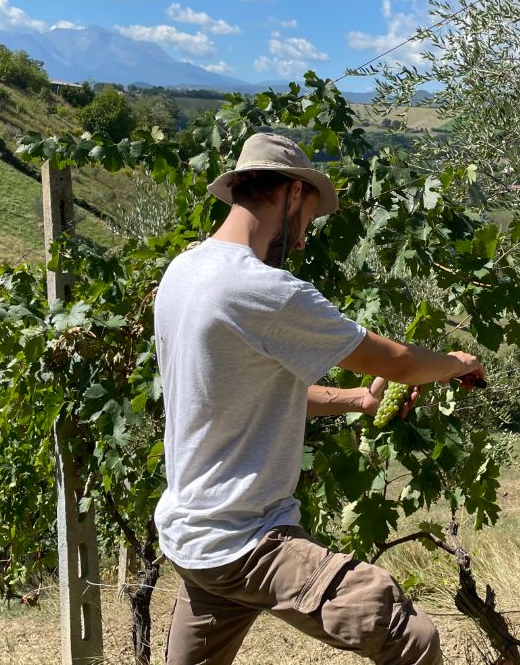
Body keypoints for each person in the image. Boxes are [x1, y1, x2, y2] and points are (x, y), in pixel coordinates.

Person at [154, 132, 485, 665]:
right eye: (308, 218)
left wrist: (359, 401)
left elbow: (244, 392)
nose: (305, 239)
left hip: (192, 539)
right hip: (247, 540)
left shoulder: (183, 273)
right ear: (289, 193)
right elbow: (397, 361)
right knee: (411, 637)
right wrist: (456, 365)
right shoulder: (263, 288)